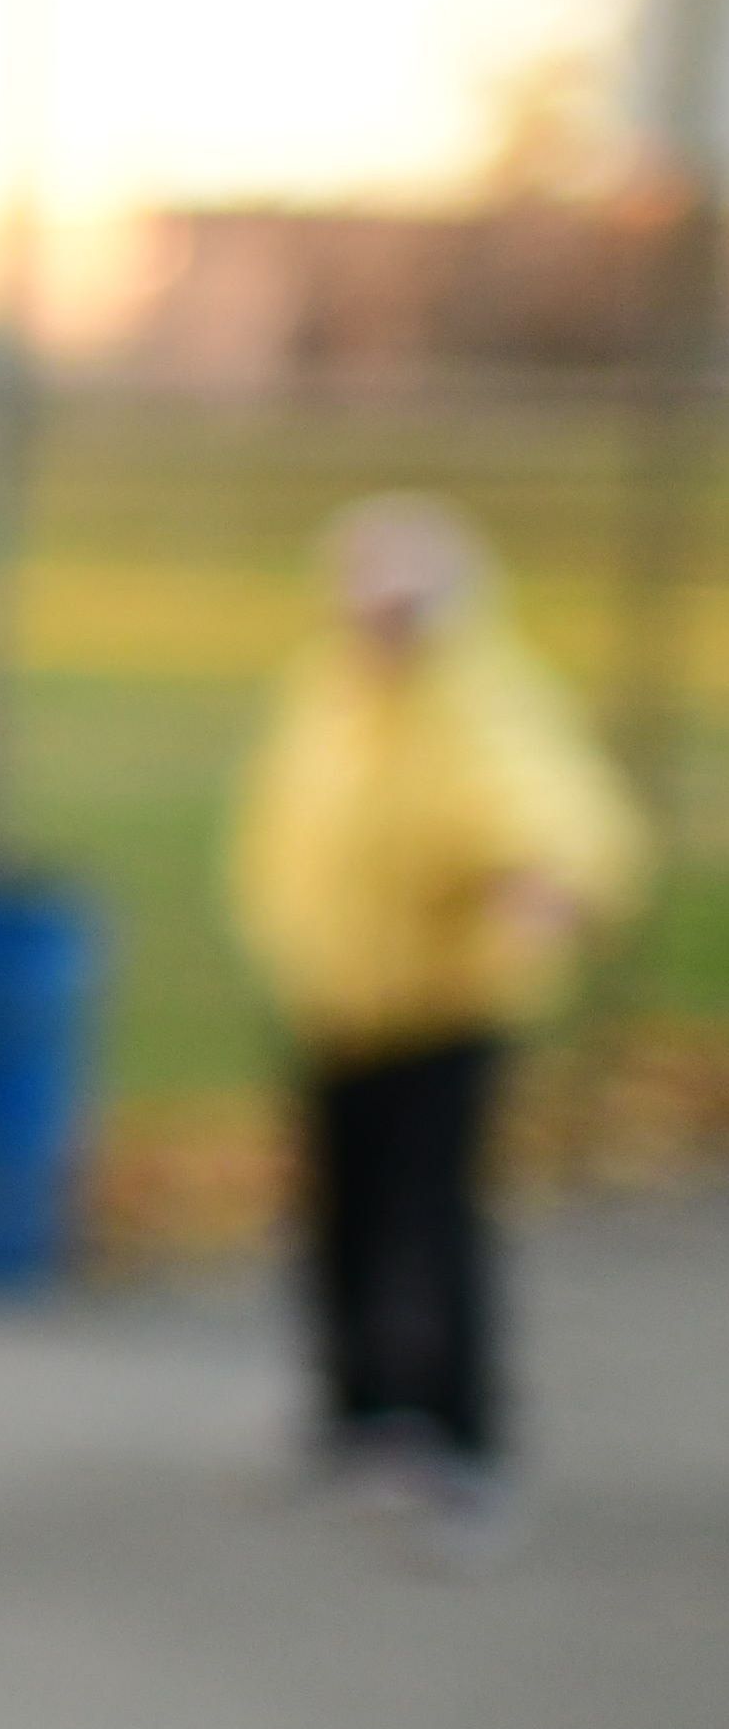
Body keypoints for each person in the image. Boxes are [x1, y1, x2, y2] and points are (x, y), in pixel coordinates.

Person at [224, 494, 643, 1547]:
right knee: (339, 1220)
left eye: (403, 604)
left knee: (433, 1226)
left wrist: (548, 884)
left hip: (440, 1010)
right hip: (336, 1003)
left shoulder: (477, 704)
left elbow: (549, 808)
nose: (382, 623)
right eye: (368, 600)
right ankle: (354, 1410)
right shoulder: (325, 694)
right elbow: (288, 824)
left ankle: (457, 1437)